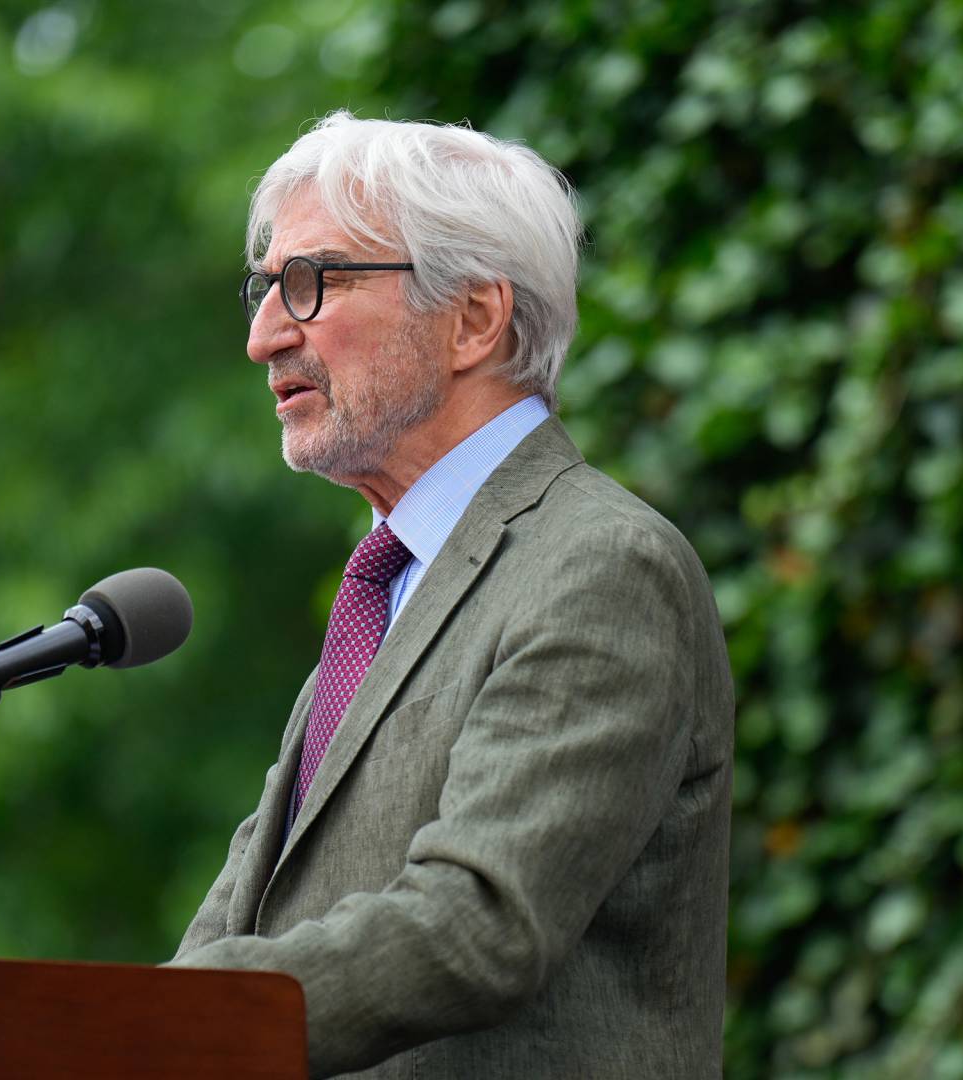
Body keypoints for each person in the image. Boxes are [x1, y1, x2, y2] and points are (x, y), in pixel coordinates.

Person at [169, 111, 733, 1079]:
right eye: (264, 289)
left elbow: (480, 922)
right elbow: (241, 918)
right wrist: (107, 1030)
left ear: (474, 318)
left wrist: (174, 1032)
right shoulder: (386, 589)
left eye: (311, 283)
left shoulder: (600, 565)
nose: (265, 336)